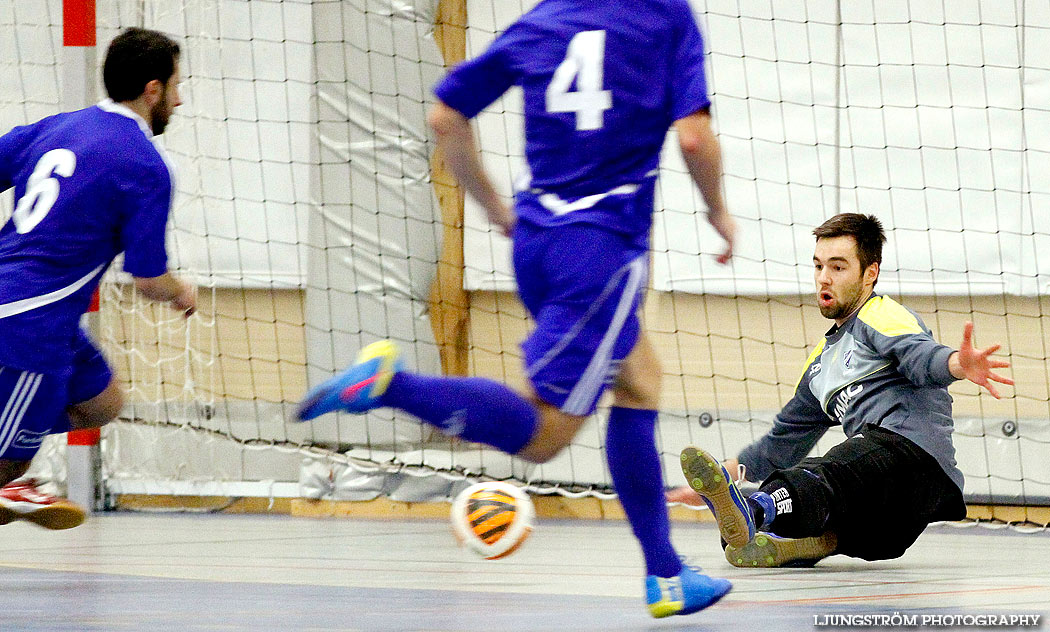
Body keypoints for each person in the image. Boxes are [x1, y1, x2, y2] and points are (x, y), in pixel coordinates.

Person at [296, 0, 737, 618]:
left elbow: (446, 116)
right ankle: (392, 385)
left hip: (536, 239)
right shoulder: (667, 15)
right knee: (544, 437)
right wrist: (718, 211)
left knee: (640, 378)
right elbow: (694, 137)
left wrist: (492, 206)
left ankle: (665, 574)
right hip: (600, 254)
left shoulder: (544, 18)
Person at [671, 213, 1013, 568]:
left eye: (838, 267)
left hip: (912, 461)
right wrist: (720, 478)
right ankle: (813, 542)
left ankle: (754, 509)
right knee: (817, 513)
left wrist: (957, 363)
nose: (824, 278)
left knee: (821, 477)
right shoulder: (819, 366)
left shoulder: (879, 315)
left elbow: (919, 356)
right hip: (890, 522)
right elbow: (781, 443)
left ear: (870, 274)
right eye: (818, 266)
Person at [0, 28, 196, 530]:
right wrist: (182, 292)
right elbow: (149, 278)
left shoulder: (58, 126)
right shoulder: (146, 164)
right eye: (175, 85)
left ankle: (10, 455)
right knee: (8, 464)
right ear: (152, 89)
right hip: (28, 324)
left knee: (101, 401)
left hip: (49, 320)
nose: (179, 98)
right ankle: (8, 473)